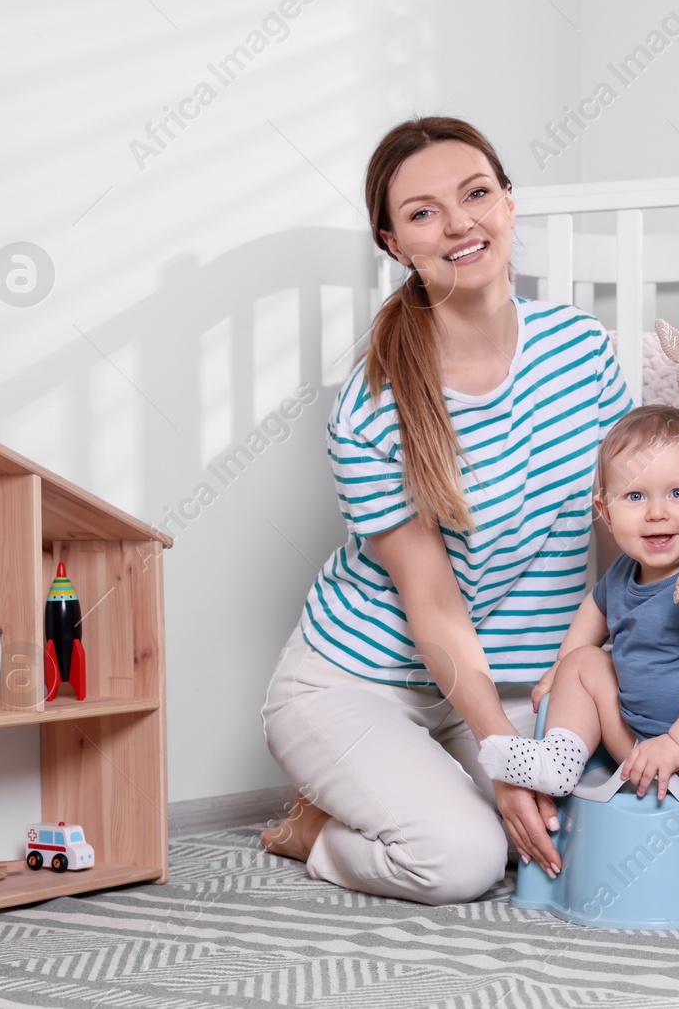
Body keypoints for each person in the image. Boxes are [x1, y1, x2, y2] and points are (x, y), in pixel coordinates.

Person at [259, 116, 631, 903]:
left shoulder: (583, 351)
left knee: (589, 830)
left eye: (476, 194)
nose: (460, 223)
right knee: (464, 860)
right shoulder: (369, 408)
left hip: (506, 680)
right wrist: (502, 757)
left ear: (508, 204)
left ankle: (427, 784)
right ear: (394, 243)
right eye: (425, 212)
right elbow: (431, 607)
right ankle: (315, 830)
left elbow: (621, 528)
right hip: (359, 680)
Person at [478, 406, 679, 934]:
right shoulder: (622, 573)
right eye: (635, 496)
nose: (656, 513)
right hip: (638, 740)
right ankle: (560, 758)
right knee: (582, 662)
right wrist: (559, 675)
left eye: (678, 494)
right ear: (606, 511)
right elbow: (591, 616)